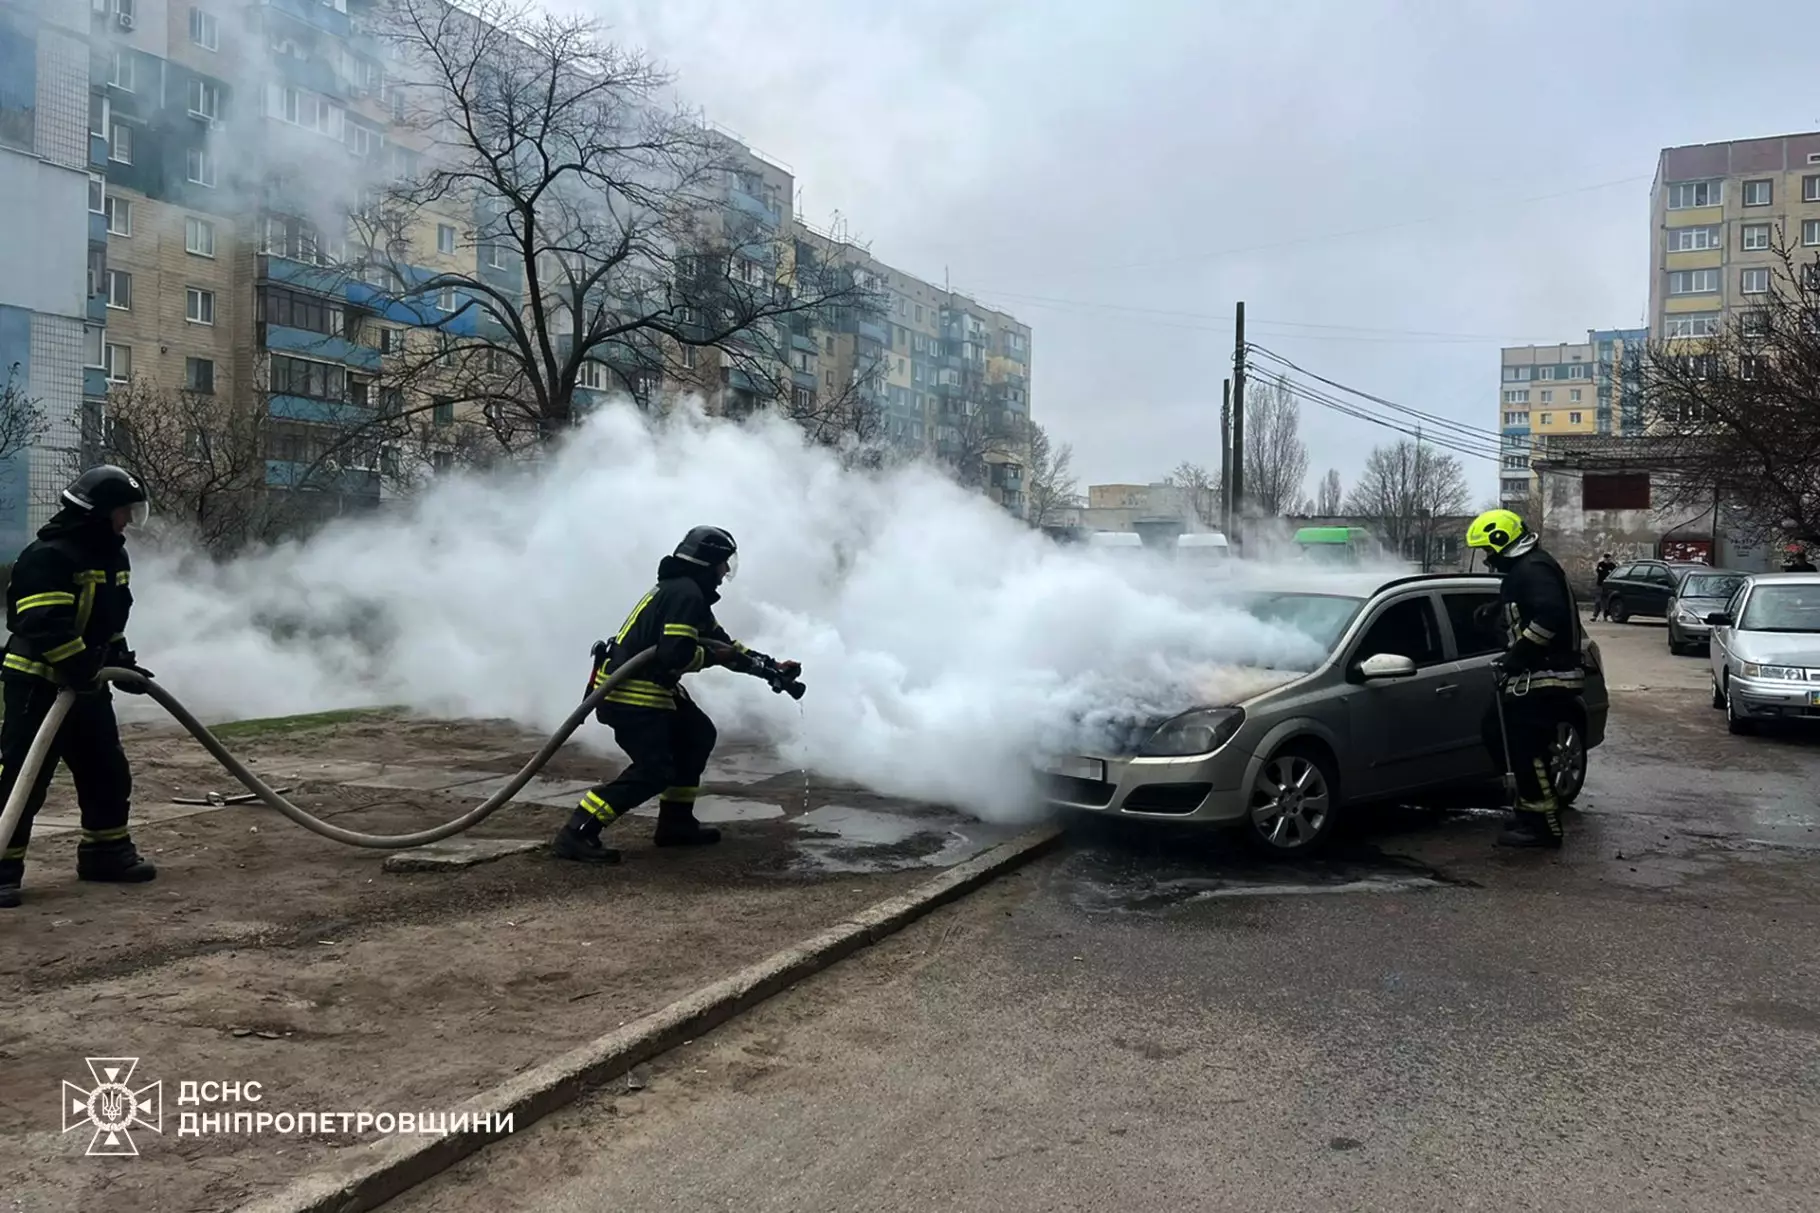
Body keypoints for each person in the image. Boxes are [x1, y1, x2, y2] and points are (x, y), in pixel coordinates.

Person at [553, 526, 802, 865]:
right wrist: (716, 657)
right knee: (655, 770)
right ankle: (577, 831)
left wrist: (769, 667)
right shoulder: (685, 594)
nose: (725, 572)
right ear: (707, 562)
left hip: (651, 691)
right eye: (722, 564)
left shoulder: (686, 593)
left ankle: (676, 823)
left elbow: (725, 645)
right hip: (632, 696)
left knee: (698, 735)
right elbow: (676, 655)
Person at [0, 466, 158, 908]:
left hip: (87, 683)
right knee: (21, 779)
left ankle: (106, 854)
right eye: (123, 512)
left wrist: (120, 662)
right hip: (38, 683)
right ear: (97, 512)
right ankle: (2, 869)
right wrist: (80, 664)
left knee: (106, 770)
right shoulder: (48, 557)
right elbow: (41, 622)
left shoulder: (111, 557)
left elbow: (108, 621)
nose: (127, 521)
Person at [1465, 508, 1583, 851]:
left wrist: (1517, 658)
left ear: (1502, 544)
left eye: (1489, 551)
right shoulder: (1529, 568)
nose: (1488, 560)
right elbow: (1529, 608)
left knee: (1525, 746)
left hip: (1546, 676)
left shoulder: (1532, 569)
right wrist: (1494, 610)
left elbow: (1550, 615)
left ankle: (1543, 826)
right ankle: (1527, 811)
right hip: (1537, 676)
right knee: (1499, 733)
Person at [1590, 552, 1617, 620]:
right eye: (1606, 559)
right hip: (1600, 585)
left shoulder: (1612, 565)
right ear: (1604, 559)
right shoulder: (1600, 564)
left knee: (1607, 601)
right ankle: (1595, 615)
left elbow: (1614, 574)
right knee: (1598, 600)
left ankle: (1606, 615)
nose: (1607, 560)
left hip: (1609, 586)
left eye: (1608, 559)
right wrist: (1607, 572)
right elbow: (1600, 572)